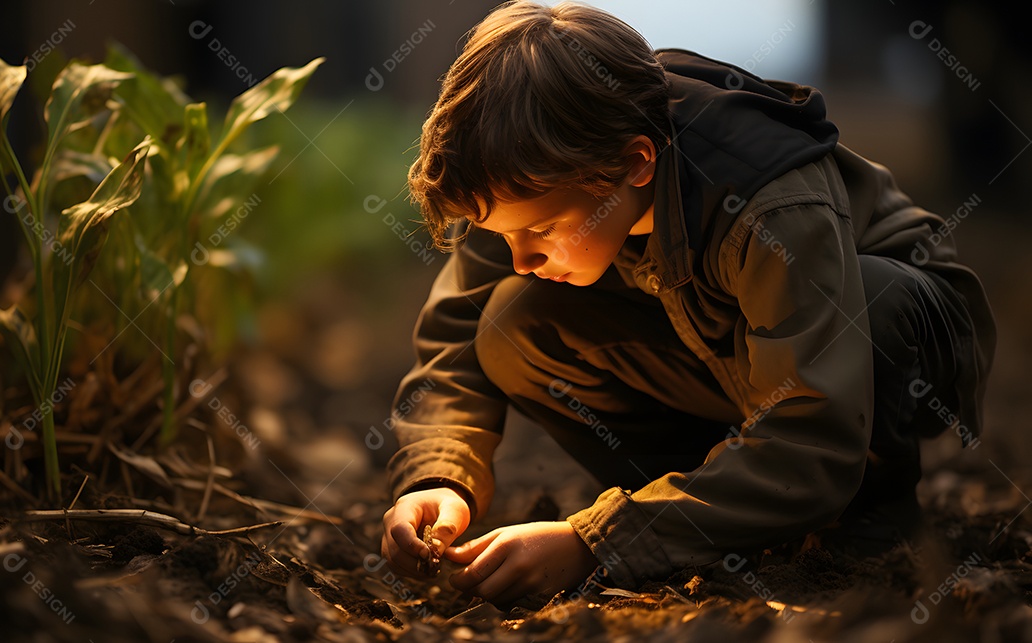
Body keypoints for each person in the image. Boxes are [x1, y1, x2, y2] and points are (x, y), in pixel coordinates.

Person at [378, 0, 996, 609]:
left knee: (876, 303)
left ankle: (870, 515)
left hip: (877, 350)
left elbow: (815, 430)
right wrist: (440, 476)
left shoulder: (768, 200)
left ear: (635, 163)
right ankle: (708, 509)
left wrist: (594, 543)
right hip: (722, 354)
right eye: (502, 235)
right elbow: (459, 328)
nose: (520, 258)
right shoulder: (532, 170)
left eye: (539, 232)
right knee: (510, 323)